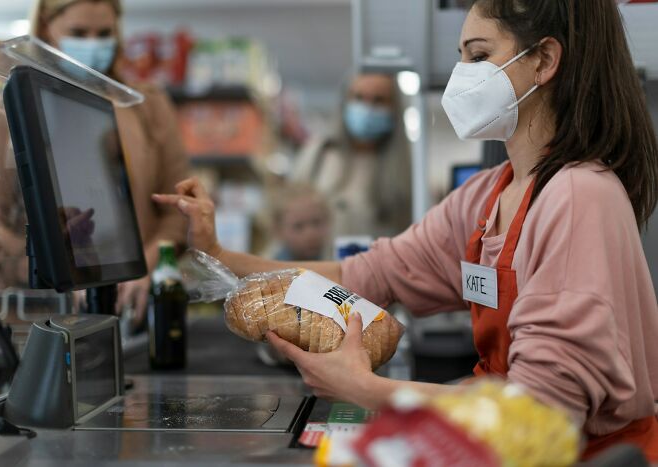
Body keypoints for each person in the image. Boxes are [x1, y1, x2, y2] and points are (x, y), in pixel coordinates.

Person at [154, 0, 658, 460]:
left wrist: (365, 389)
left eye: (479, 56)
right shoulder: (487, 196)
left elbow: (542, 412)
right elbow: (365, 274)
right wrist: (217, 253)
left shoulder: (576, 197)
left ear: (545, 61)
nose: (463, 75)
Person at [0, 0, 188, 322]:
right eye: (79, 32)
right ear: (44, 29)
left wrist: (147, 263)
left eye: (104, 33)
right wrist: (61, 272)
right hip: (35, 315)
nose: (93, 44)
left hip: (126, 312)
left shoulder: (145, 103)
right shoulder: (14, 104)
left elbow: (177, 209)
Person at [292, 73, 411, 239]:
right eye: (359, 97)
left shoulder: (405, 171)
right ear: (345, 102)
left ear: (394, 109)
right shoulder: (317, 155)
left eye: (379, 100)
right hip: (318, 264)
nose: (367, 108)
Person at [268, 182, 331, 262]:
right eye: (298, 226)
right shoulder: (270, 272)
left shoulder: (338, 263)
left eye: (316, 222)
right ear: (278, 231)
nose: (311, 234)